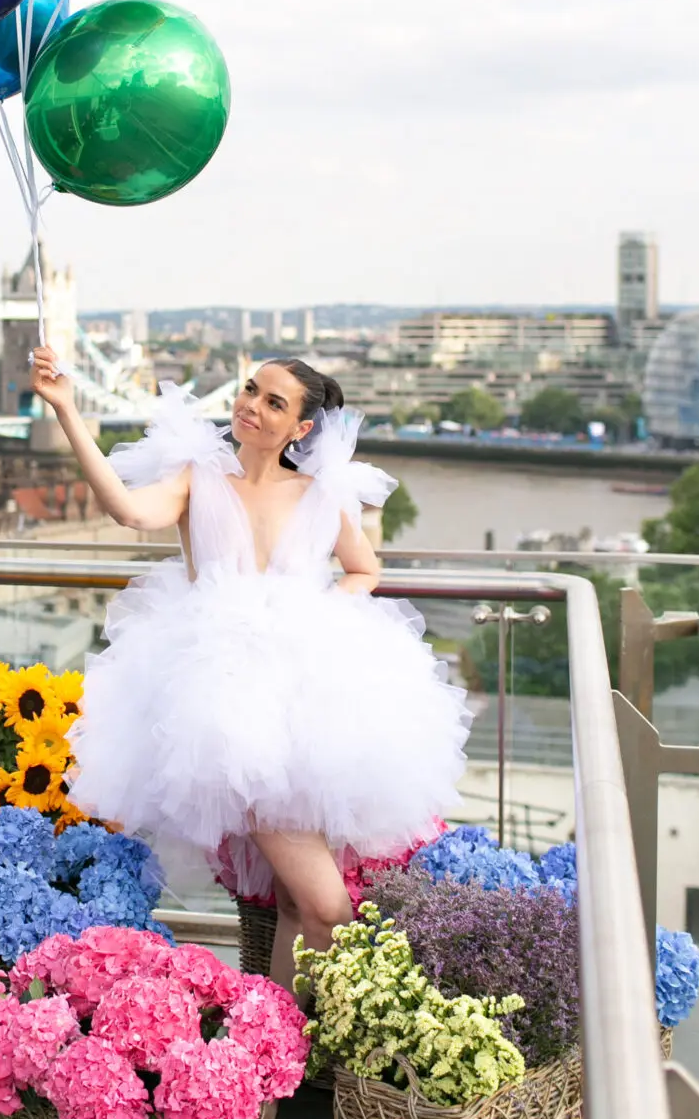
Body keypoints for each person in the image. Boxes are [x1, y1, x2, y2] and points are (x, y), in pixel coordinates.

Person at [30, 349, 470, 997]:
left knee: (298, 907)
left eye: (273, 402)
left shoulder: (321, 495)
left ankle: (272, 1068)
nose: (250, 406)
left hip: (311, 699)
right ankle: (279, 1058)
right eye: (248, 390)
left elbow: (364, 569)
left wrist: (318, 611)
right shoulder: (199, 477)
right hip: (223, 702)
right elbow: (127, 509)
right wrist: (67, 408)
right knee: (327, 906)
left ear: (301, 429)